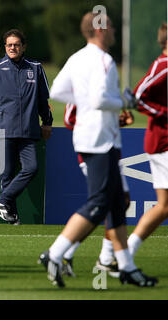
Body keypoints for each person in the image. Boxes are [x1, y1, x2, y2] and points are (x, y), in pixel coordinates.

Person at [39, 12, 157, 288]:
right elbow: (100, 98)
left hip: (89, 137)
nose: (115, 30)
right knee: (99, 203)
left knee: (116, 203)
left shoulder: (77, 57)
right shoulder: (104, 61)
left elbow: (56, 92)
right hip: (101, 139)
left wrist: (88, 102)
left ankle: (125, 266)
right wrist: (125, 101)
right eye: (111, 26)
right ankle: (55, 253)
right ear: (100, 30)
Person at [0, 29, 53, 225]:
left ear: (24, 47)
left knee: (31, 168)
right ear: (5, 47)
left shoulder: (36, 68)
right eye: (9, 45)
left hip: (29, 131)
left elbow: (43, 100)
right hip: (2, 129)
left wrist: (47, 123)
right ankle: (12, 217)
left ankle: (1, 201)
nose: (12, 48)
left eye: (16, 44)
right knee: (6, 175)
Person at [102, 22, 167, 261]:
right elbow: (135, 96)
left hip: (162, 142)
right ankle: (118, 255)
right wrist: (162, 114)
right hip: (163, 143)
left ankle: (122, 253)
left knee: (164, 207)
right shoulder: (164, 65)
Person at [61, 103, 135, 278]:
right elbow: (69, 119)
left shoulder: (106, 78)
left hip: (109, 151)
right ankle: (65, 253)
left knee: (119, 202)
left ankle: (104, 258)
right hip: (93, 152)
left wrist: (117, 121)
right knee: (103, 205)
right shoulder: (83, 77)